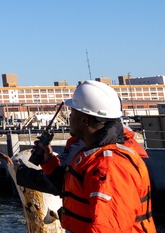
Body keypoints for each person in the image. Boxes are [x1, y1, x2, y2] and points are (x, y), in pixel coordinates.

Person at [15, 80, 155, 232]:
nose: (69, 117)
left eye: (73, 112)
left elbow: (107, 227)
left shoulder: (109, 166)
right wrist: (49, 163)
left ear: (84, 120)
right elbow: (76, 187)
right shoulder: (94, 154)